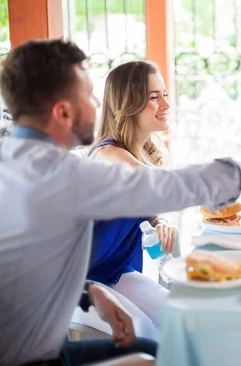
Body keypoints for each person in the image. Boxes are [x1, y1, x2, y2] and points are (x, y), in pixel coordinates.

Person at [0, 39, 241, 366]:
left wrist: (89, 292)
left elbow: (24, 269)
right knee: (165, 355)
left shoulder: (16, 162)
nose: (97, 103)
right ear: (63, 112)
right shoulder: (64, 174)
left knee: (157, 350)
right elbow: (171, 186)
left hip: (57, 335)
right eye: (90, 95)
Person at [78, 61, 176, 334]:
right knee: (146, 332)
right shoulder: (108, 154)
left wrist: (159, 221)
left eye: (165, 94)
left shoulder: (135, 154)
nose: (166, 105)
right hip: (80, 283)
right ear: (128, 103)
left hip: (113, 272)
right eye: (154, 97)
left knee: (180, 315)